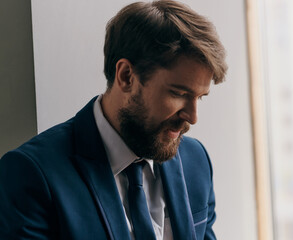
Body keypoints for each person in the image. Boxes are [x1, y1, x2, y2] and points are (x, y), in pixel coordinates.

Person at [0, 0, 227, 240]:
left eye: (199, 97)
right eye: (179, 94)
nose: (192, 117)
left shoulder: (196, 161)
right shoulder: (30, 174)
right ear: (126, 76)